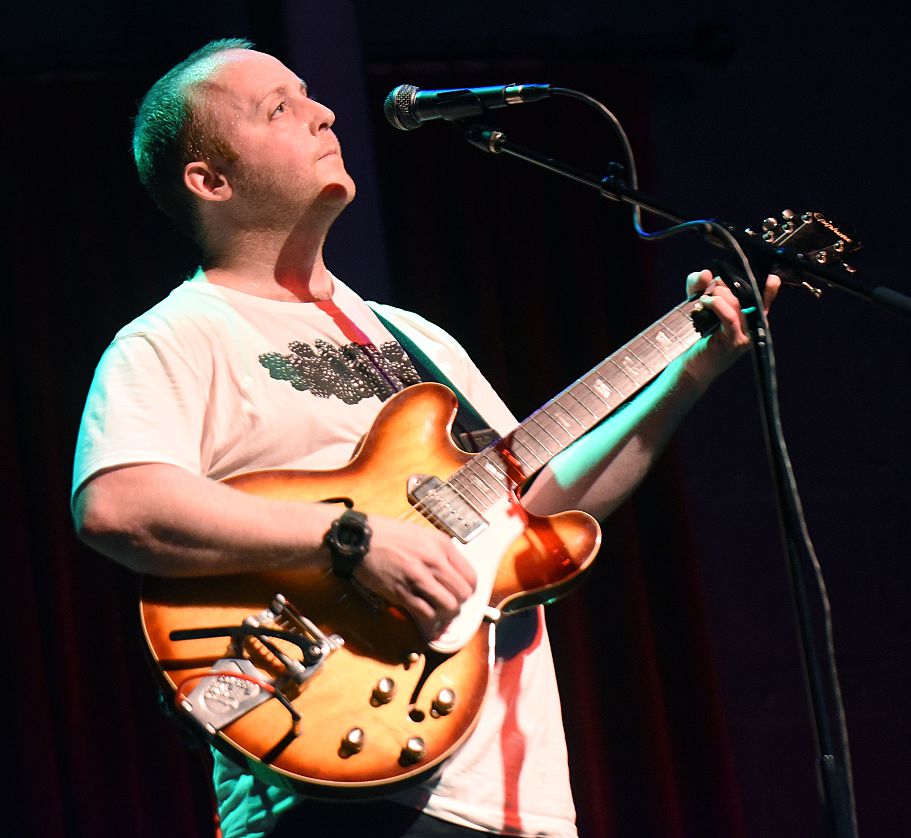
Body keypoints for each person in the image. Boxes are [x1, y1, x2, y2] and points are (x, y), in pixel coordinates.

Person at [72, 39, 778, 838]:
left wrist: (689, 373)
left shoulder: (417, 339)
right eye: (279, 106)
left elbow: (533, 503)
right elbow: (118, 503)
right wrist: (350, 539)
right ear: (211, 180)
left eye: (309, 94)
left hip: (516, 799)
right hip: (335, 789)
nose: (323, 111)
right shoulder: (179, 335)